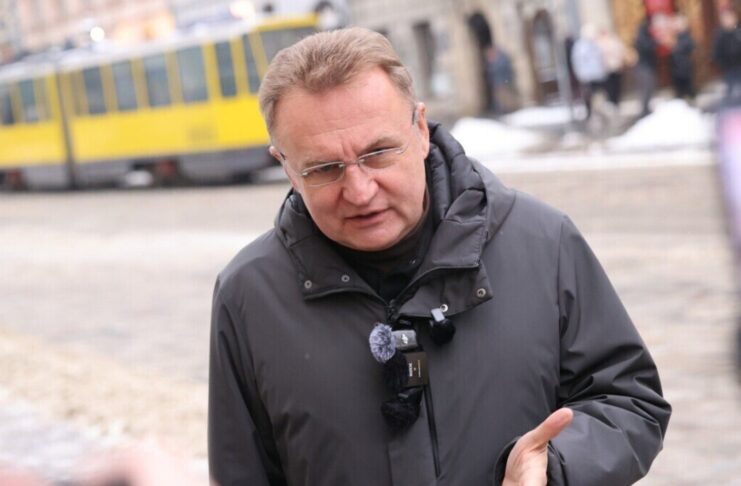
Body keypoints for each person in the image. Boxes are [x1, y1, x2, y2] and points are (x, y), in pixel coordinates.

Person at [208, 27, 671, 486]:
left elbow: (630, 400)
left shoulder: (543, 242)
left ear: (421, 129)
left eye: (379, 152)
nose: (361, 191)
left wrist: (555, 468)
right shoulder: (247, 296)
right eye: (324, 168)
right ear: (285, 165)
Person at [570, 23, 607, 121]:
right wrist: (581, 75)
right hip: (588, 76)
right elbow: (578, 62)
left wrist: (602, 71)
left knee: (599, 95)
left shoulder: (595, 44)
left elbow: (600, 59)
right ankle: (591, 114)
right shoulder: (581, 46)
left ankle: (599, 112)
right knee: (589, 96)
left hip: (597, 75)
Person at [713, 8, 741, 103]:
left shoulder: (738, 31)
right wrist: (722, 63)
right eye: (725, 18)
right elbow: (716, 51)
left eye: (730, 18)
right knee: (731, 90)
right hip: (728, 68)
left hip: (739, 65)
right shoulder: (719, 34)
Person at [634, 16, 659, 117]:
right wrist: (655, 42)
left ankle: (646, 108)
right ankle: (644, 110)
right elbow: (647, 47)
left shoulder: (645, 37)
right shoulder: (641, 38)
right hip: (644, 67)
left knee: (649, 88)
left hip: (647, 66)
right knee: (646, 88)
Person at [669, 14, 696, 101]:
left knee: (688, 89)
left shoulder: (686, 36)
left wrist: (677, 46)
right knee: (679, 91)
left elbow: (690, 46)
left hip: (684, 67)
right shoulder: (675, 36)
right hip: (676, 68)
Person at [484, 45, 515, 116]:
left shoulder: (501, 59)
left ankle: (509, 110)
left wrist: (493, 64)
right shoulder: (492, 61)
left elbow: (502, 69)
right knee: (499, 97)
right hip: (497, 82)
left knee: (506, 96)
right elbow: (490, 71)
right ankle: (502, 110)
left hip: (503, 81)